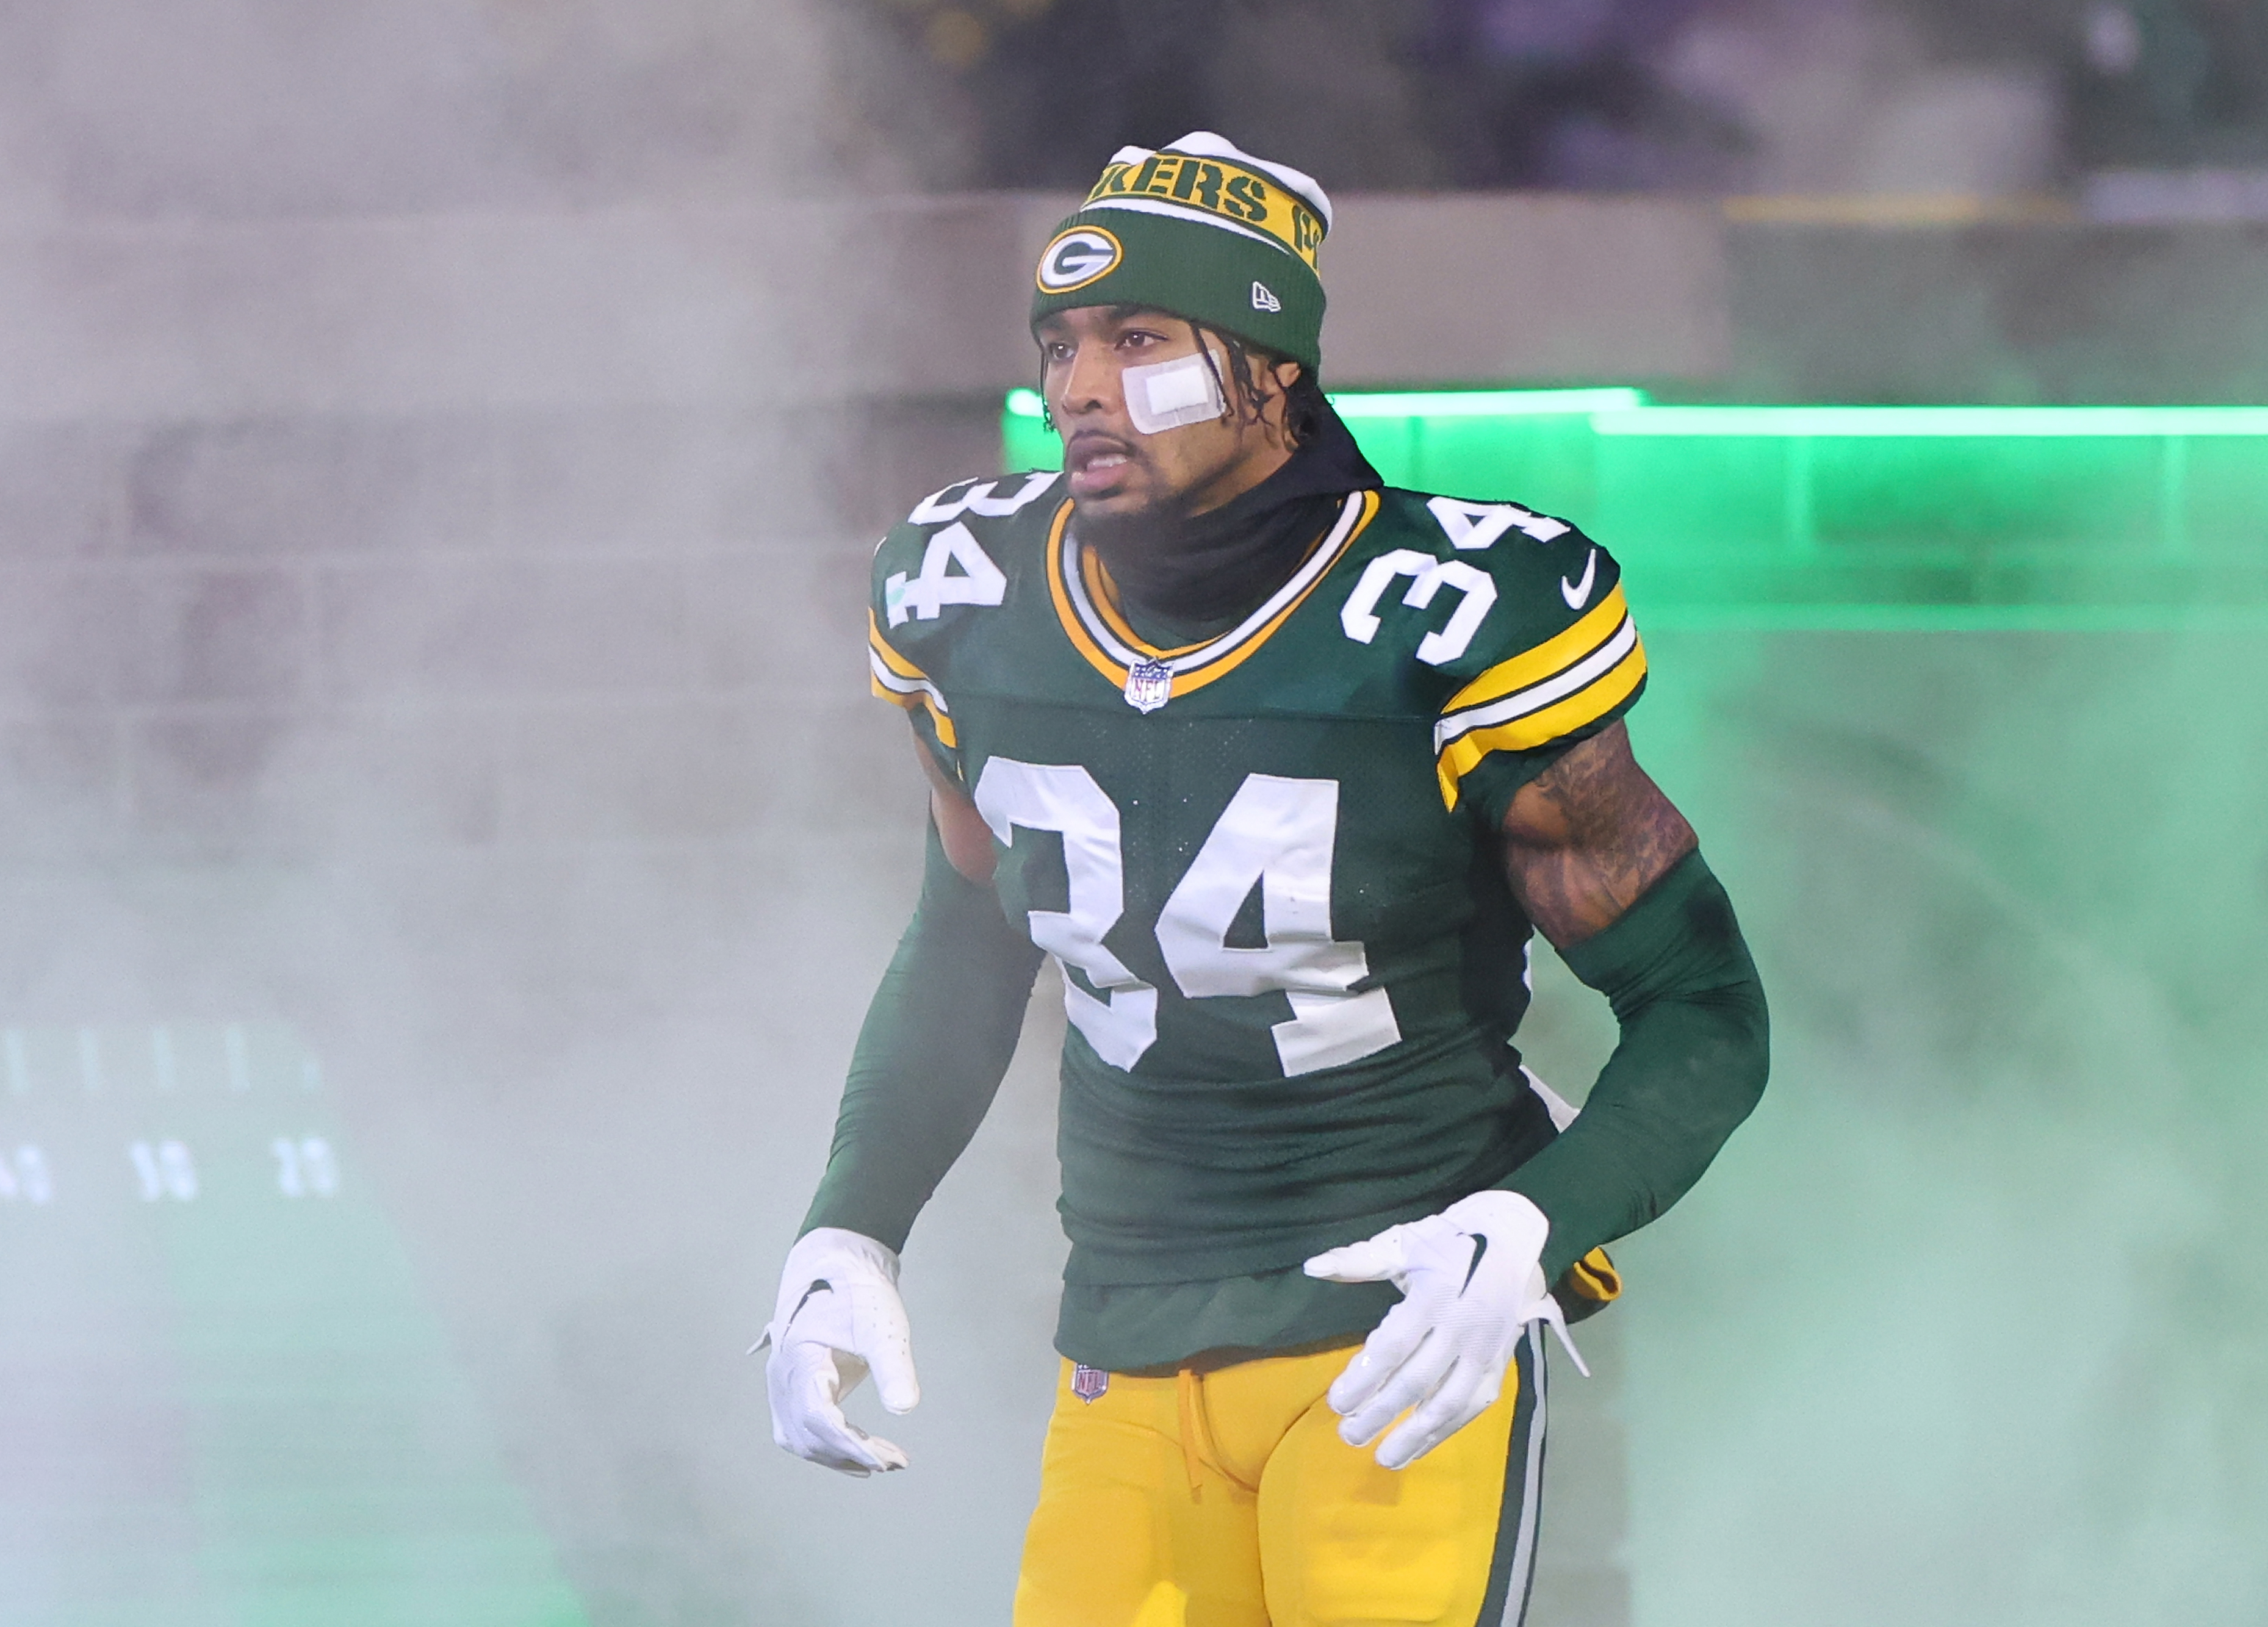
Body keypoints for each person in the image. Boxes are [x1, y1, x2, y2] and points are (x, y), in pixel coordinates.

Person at [757, 131, 1769, 1626]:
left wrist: (1531, 1220)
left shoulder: (1447, 615)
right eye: (1060, 342)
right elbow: (969, 936)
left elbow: (1700, 1004)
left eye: (1138, 340)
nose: (1079, 385)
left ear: (1271, 368)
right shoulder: (966, 594)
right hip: (1123, 1331)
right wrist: (851, 1220)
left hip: (1390, 1335)